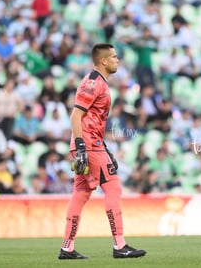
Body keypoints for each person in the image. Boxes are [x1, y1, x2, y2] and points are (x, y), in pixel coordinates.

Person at [58, 43, 146, 260]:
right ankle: (119, 245)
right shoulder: (93, 83)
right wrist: (81, 147)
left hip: (93, 144)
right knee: (113, 188)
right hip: (88, 145)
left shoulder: (99, 83)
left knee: (81, 193)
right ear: (103, 61)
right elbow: (75, 116)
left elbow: (91, 120)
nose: (118, 60)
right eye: (115, 57)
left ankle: (67, 248)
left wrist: (104, 148)